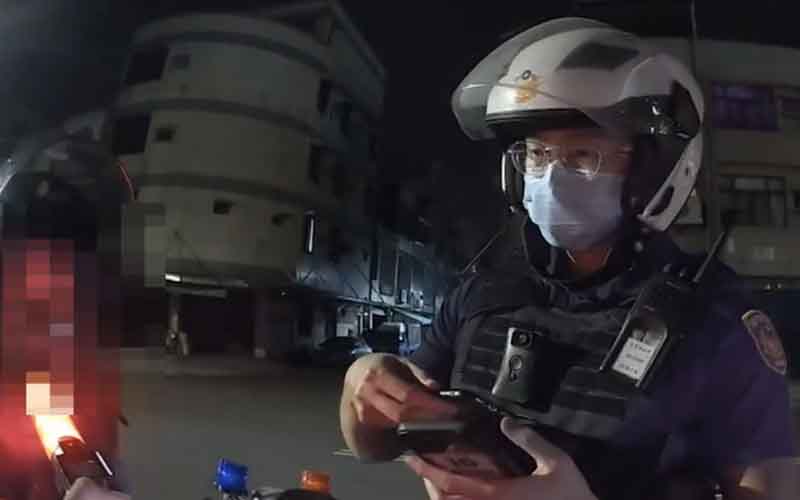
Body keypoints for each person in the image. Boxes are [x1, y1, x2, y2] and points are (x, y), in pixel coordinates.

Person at [340, 17, 798, 500]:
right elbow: (376, 442)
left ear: (655, 169)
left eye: (583, 155)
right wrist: (360, 388)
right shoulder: (484, 291)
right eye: (537, 155)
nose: (551, 178)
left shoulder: (714, 320)